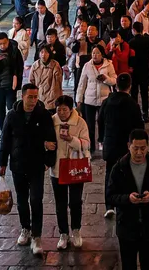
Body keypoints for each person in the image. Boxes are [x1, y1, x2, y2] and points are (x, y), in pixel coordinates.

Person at [0, 83, 57, 256]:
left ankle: (37, 235)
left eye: (35, 97)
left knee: (36, 199)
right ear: (22, 96)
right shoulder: (12, 116)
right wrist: (2, 163)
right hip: (18, 165)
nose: (33, 100)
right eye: (30, 97)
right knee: (22, 201)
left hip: (37, 165)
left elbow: (52, 140)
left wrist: (48, 161)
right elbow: (5, 140)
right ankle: (25, 228)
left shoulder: (44, 115)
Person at [106, 130, 149, 270]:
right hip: (127, 228)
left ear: (148, 146)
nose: (139, 153)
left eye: (143, 148)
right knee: (128, 265)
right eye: (136, 148)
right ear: (129, 146)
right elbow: (110, 196)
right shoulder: (119, 168)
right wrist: (127, 198)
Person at [98, 73, 145, 218]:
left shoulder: (107, 102)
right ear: (130, 86)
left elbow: (100, 121)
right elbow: (139, 127)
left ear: (116, 85)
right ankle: (124, 202)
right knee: (126, 173)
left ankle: (109, 205)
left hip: (110, 143)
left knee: (109, 174)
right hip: (126, 145)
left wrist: (101, 139)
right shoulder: (133, 104)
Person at [50, 95, 90, 250]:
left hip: (75, 168)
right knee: (60, 203)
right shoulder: (52, 121)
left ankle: (76, 230)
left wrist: (71, 139)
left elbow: (86, 144)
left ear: (71, 109)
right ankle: (63, 233)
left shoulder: (80, 122)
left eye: (64, 110)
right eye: (58, 110)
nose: (61, 113)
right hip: (57, 168)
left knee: (75, 201)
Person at [76, 44, 117, 147]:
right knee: (90, 124)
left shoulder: (108, 65)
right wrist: (79, 99)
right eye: (93, 53)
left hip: (104, 99)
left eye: (97, 53)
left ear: (102, 54)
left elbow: (114, 80)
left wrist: (105, 78)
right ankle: (91, 146)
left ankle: (102, 141)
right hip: (89, 100)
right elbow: (82, 84)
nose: (95, 55)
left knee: (102, 122)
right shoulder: (87, 66)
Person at [0, 32, 24, 129]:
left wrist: (18, 85)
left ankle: (12, 129)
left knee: (11, 108)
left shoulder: (14, 50)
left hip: (11, 85)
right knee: (0, 109)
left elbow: (20, 68)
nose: (2, 46)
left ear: (8, 41)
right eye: (0, 44)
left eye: (4, 43)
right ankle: (3, 130)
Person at [72, 24, 107, 97]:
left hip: (96, 67)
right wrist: (77, 41)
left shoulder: (100, 42)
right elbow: (74, 50)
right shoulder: (81, 39)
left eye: (92, 30)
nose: (90, 31)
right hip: (81, 66)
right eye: (88, 30)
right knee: (79, 85)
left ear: (97, 32)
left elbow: (105, 55)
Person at [129, 21, 149, 122]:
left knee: (134, 92)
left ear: (134, 30)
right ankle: (145, 114)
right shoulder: (148, 41)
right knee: (144, 93)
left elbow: (130, 58)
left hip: (134, 71)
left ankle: (134, 114)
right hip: (145, 70)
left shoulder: (131, 42)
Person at [29, 44, 63, 112]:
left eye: (46, 52)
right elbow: (31, 82)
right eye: (41, 52)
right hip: (39, 97)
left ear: (49, 54)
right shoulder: (35, 66)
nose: (43, 54)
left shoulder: (55, 65)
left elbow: (59, 81)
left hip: (52, 98)